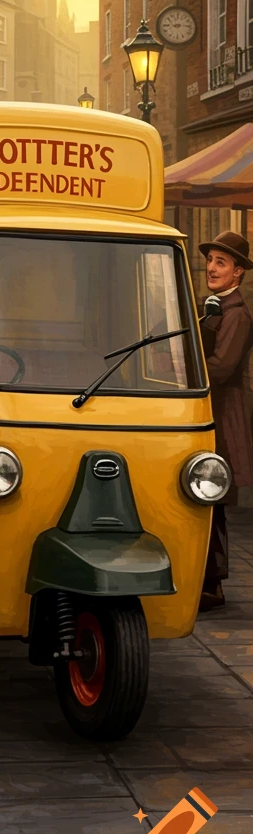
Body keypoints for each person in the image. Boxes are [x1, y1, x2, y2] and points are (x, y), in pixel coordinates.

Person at [197, 230, 253, 612]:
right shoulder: (212, 305)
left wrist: (182, 369)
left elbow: (222, 367)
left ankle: (212, 584)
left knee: (210, 494)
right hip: (204, 409)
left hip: (221, 414)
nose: (212, 268)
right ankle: (201, 578)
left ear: (238, 274)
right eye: (211, 260)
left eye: (221, 262)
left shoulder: (237, 314)